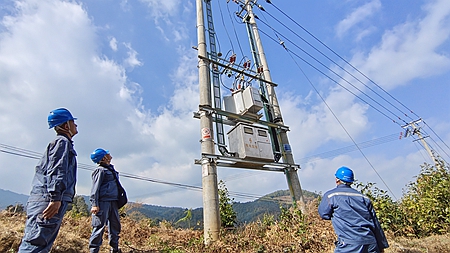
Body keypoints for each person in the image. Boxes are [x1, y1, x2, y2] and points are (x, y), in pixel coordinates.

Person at [18, 108, 78, 253]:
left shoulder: (63, 143)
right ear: (65, 126)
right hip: (48, 200)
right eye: (72, 121)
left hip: (48, 198)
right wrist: (55, 198)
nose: (75, 125)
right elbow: (57, 171)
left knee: (41, 244)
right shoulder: (61, 142)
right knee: (36, 243)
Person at [318, 166, 389, 253]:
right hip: (371, 243)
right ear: (351, 181)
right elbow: (375, 223)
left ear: (337, 179)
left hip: (349, 244)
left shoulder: (331, 196)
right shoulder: (363, 197)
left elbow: (324, 214)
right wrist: (381, 246)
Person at [89, 148, 123, 253]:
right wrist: (95, 204)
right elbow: (95, 188)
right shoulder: (100, 171)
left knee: (115, 226)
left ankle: (115, 249)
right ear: (104, 158)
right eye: (108, 154)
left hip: (113, 202)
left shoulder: (110, 170)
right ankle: (94, 250)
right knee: (98, 227)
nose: (110, 155)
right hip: (103, 202)